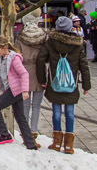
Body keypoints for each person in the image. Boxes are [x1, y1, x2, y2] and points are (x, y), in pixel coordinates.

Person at [37, 16, 91, 154]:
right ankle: (68, 145)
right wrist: (86, 85)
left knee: (56, 111)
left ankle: (56, 142)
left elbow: (40, 59)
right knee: (70, 112)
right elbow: (83, 65)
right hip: (71, 83)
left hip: (54, 82)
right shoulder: (77, 44)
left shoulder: (51, 42)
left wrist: (42, 80)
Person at [0, 36, 37, 150]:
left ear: (4, 48)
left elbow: (24, 74)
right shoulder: (1, 58)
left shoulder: (13, 58)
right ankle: (30, 144)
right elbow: (4, 73)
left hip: (15, 90)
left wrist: (25, 90)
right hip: (13, 89)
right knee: (20, 116)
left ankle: (4, 135)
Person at [14, 8, 47, 147]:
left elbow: (17, 55)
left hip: (24, 71)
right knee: (37, 105)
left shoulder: (20, 37)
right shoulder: (43, 36)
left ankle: (25, 131)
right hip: (39, 72)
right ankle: (34, 130)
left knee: (25, 104)